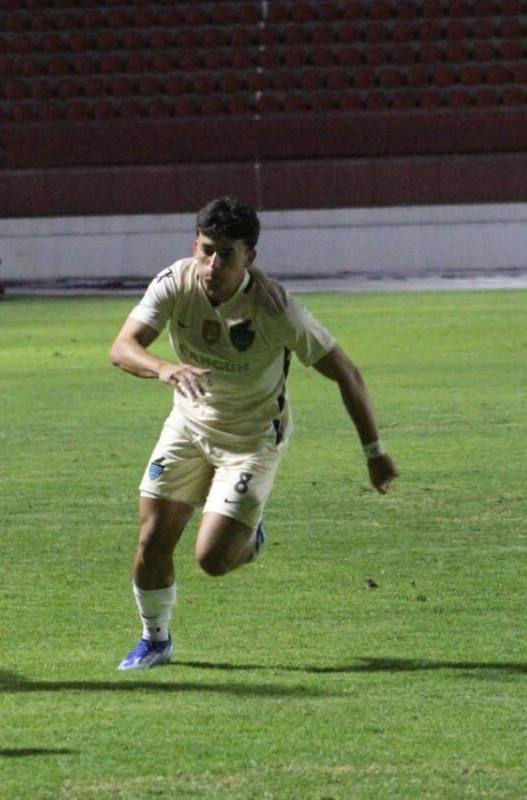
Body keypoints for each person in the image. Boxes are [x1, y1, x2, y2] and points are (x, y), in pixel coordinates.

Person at [108, 196, 399, 671]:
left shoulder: (276, 308)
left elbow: (347, 373)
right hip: (188, 425)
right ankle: (154, 639)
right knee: (152, 538)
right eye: (206, 250)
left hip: (252, 441)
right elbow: (122, 347)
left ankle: (249, 535)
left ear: (250, 257)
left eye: (226, 253)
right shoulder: (174, 281)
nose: (212, 264)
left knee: (214, 560)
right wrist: (163, 368)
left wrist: (375, 452)